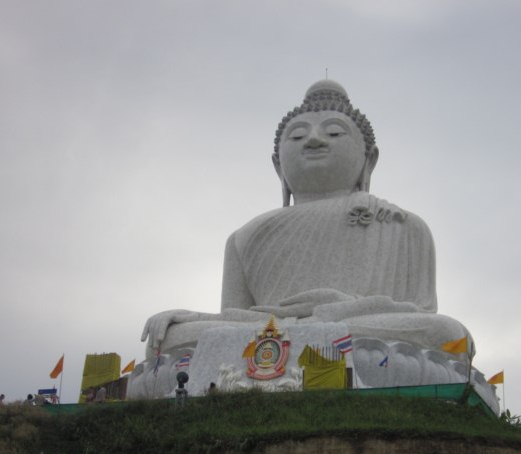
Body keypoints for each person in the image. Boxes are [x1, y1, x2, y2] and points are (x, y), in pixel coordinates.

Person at [140, 80, 470, 358]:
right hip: (269, 332)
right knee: (168, 339)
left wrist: (339, 308)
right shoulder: (244, 236)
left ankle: (301, 345)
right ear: (278, 166)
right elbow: (234, 319)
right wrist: (192, 317)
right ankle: (307, 342)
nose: (314, 140)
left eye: (334, 133)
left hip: (350, 326)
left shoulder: (402, 224)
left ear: (368, 160)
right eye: (297, 136)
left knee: (447, 334)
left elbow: (419, 313)